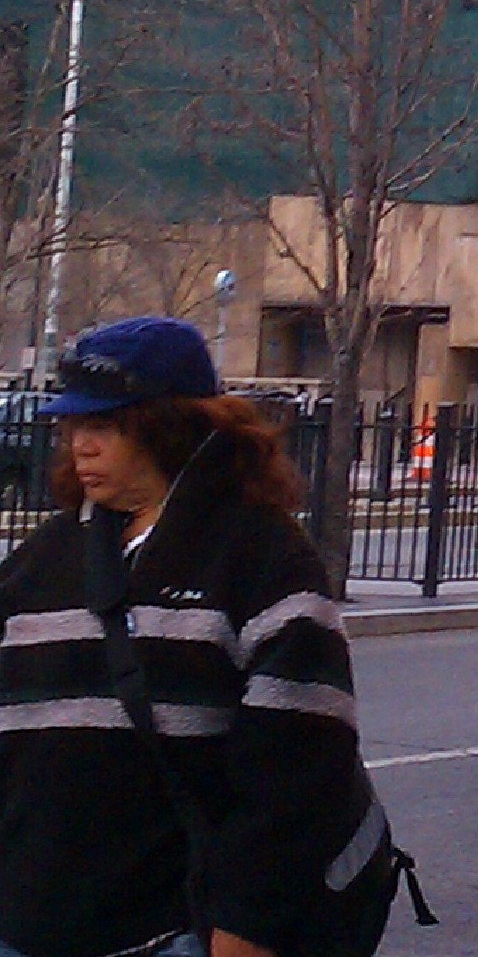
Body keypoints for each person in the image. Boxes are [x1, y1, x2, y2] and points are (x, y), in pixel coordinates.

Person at [0, 317, 378, 957]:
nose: (80, 446)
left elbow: (296, 776)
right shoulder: (43, 561)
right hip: (33, 926)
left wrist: (247, 926)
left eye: (105, 426)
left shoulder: (261, 557)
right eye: (74, 427)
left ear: (169, 428)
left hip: (178, 932)